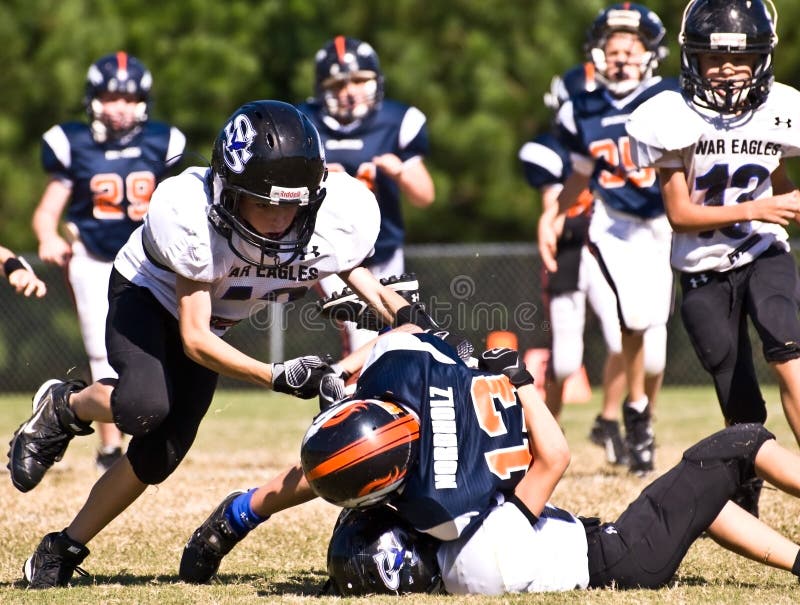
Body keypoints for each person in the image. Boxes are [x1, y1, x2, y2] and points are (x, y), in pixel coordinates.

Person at [6, 100, 427, 590]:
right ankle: (67, 405)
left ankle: (63, 546)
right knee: (145, 406)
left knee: (158, 457)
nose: (277, 219)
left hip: (215, 323)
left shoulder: (335, 216)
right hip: (152, 297)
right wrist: (275, 374)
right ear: (227, 191)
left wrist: (414, 322)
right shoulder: (190, 215)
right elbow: (194, 338)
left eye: (290, 204)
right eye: (263, 202)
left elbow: (369, 285)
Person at [181, 328, 800, 594]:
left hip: (601, 548)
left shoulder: (448, 550)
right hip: (618, 553)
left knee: (696, 503)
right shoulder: (476, 545)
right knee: (740, 440)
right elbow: (553, 457)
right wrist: (522, 381)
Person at [626, 0, 800, 515]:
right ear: (691, 59)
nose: (727, 70)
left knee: (789, 355)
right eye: (714, 58)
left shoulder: (779, 109)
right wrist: (762, 204)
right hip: (703, 269)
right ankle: (749, 497)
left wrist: (782, 204)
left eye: (741, 58)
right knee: (741, 403)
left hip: (765, 251)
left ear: (762, 59)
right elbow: (679, 214)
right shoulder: (668, 114)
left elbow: (780, 184)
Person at [31, 51, 187, 473]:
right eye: (110, 96)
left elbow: (179, 204)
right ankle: (110, 447)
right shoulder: (73, 144)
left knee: (166, 346)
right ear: (93, 99)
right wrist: (48, 235)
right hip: (95, 260)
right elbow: (48, 210)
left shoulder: (162, 142)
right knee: (102, 352)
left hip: (150, 262)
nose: (118, 106)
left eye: (127, 97)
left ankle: (149, 430)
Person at [538, 3, 674, 475]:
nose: (621, 58)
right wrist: (553, 215)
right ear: (597, 53)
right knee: (634, 324)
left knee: (654, 353)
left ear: (650, 54)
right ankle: (636, 419)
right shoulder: (582, 108)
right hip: (613, 226)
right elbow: (580, 173)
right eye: (613, 49)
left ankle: (642, 416)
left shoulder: (673, 98)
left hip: (668, 224)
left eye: (631, 49)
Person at [297, 35, 435, 355]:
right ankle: (351, 399)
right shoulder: (305, 123)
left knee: (402, 330)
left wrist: (400, 172)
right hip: (331, 249)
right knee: (360, 332)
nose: (350, 91)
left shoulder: (397, 121)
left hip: (384, 248)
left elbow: (425, 196)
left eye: (359, 80)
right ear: (323, 88)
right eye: (338, 83)